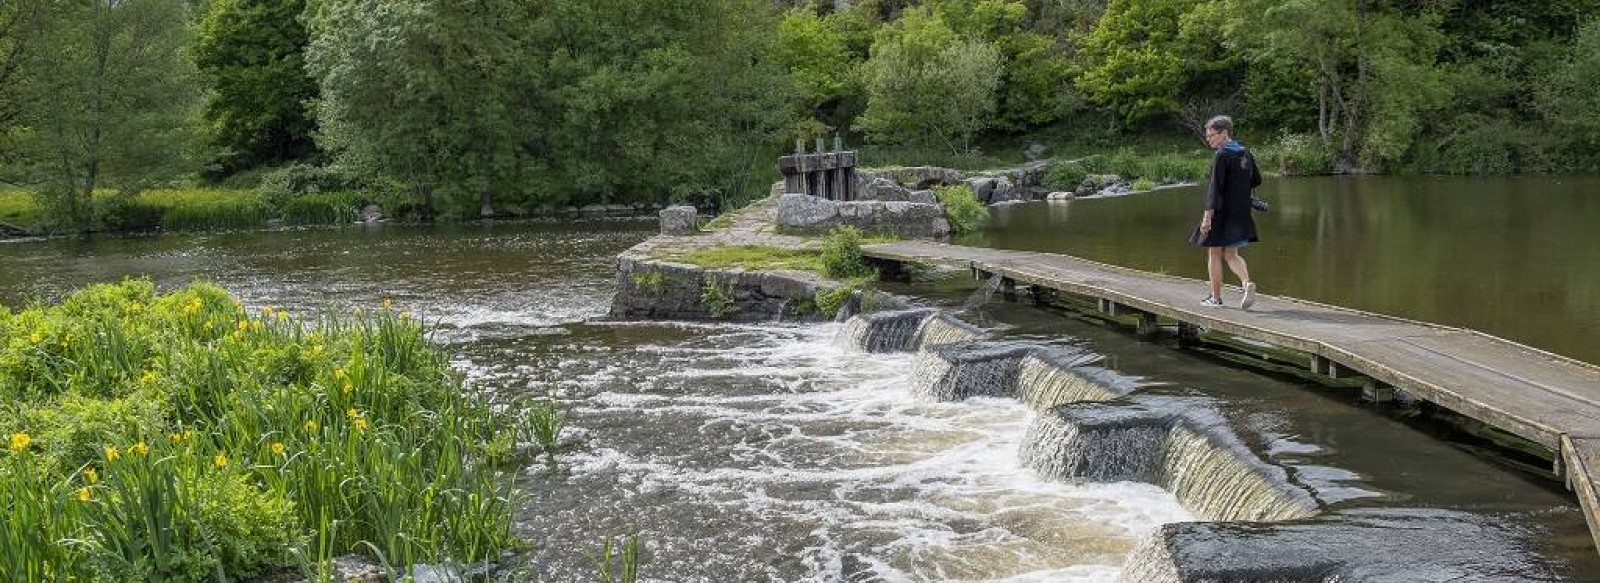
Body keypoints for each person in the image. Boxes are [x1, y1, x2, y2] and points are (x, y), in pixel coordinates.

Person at [1191, 115, 1261, 309]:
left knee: (1214, 253)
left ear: (1224, 133)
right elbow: (1256, 179)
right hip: (1241, 212)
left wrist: (1207, 218)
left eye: (1211, 135)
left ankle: (1215, 299)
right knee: (1231, 254)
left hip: (1222, 212)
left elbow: (1215, 189)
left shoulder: (1222, 155)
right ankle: (1246, 283)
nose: (1209, 139)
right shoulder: (1245, 152)